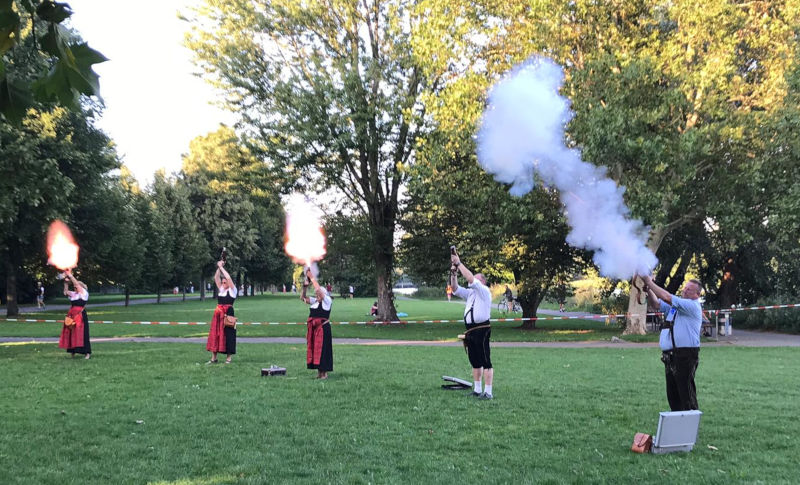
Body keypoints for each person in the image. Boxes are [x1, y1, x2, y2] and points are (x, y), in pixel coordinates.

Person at [642, 274, 703, 411]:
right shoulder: (677, 306)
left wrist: (648, 281)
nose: (684, 290)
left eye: (689, 290)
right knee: (673, 395)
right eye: (685, 288)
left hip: (685, 355)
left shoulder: (691, 305)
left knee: (686, 394)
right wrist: (649, 290)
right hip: (671, 356)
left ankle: (690, 426)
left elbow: (666, 297)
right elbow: (657, 304)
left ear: (697, 295)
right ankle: (678, 425)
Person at [450, 252, 494, 400]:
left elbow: (469, 278)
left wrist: (459, 263)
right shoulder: (470, 294)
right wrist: (454, 273)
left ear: (482, 282)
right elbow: (455, 289)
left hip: (482, 329)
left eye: (476, 278)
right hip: (471, 330)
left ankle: (488, 392)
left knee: (485, 361)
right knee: (474, 361)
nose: (472, 279)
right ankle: (477, 389)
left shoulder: (484, 291)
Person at [301, 267, 333, 379]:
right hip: (314, 330)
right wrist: (305, 287)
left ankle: (324, 373)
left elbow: (319, 290)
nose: (317, 295)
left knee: (323, 350)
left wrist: (312, 277)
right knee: (315, 350)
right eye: (316, 294)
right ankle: (319, 373)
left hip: (323, 329)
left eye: (318, 294)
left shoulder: (327, 301)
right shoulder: (315, 301)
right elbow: (303, 298)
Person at [206, 260, 237, 364]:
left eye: (225, 282)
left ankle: (228, 358)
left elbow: (228, 277)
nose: (223, 283)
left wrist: (222, 268)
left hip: (228, 313)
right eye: (222, 282)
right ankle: (214, 358)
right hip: (218, 314)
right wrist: (219, 267)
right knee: (216, 334)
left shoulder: (233, 290)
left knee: (229, 334)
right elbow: (216, 278)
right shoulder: (221, 290)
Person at [58, 270, 91, 359]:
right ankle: (73, 351)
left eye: (76, 287)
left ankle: (87, 353)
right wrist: (66, 282)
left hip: (80, 315)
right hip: (72, 314)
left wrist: (70, 275)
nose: (75, 288)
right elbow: (65, 292)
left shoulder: (84, 293)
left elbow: (76, 284)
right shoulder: (74, 294)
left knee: (82, 333)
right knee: (72, 332)